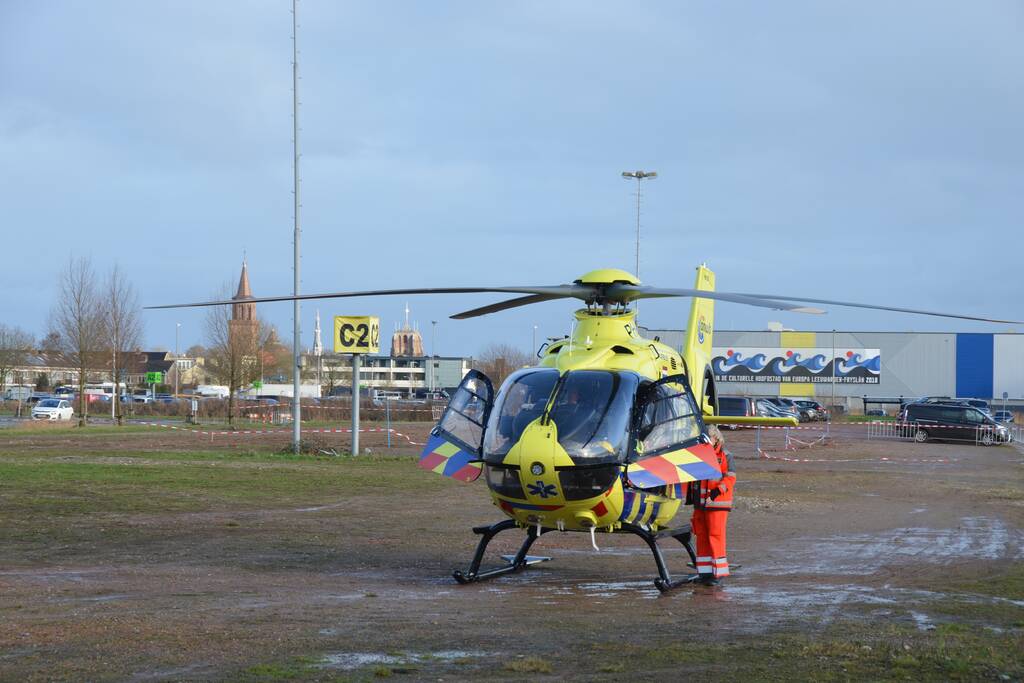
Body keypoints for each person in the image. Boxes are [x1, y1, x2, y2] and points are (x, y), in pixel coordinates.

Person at [690, 425, 735, 585]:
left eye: (709, 437)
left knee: (715, 536)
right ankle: (704, 573)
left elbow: (730, 479)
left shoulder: (726, 456)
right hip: (700, 505)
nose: (706, 441)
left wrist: (716, 492)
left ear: (716, 438)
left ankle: (718, 574)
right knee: (701, 536)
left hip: (717, 504)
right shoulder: (699, 455)